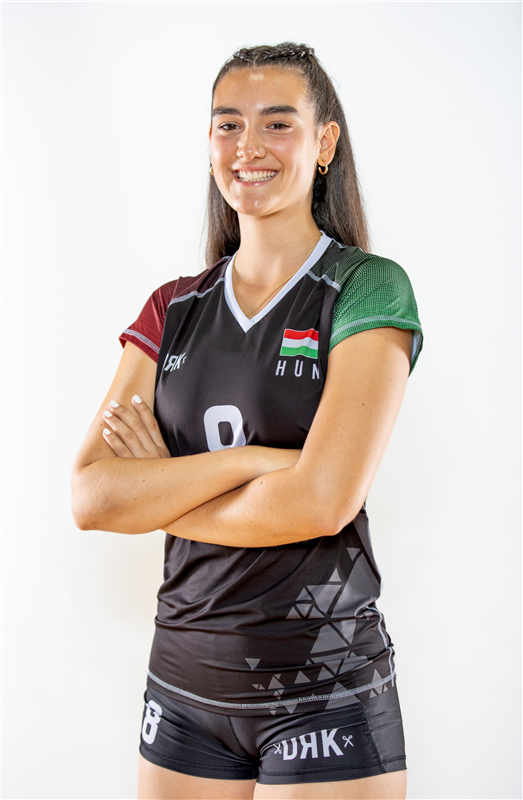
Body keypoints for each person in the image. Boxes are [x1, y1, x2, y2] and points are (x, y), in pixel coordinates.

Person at [72, 42, 423, 800]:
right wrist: (255, 461)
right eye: (228, 124)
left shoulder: (366, 289)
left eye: (277, 123)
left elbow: (321, 501)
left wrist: (159, 488)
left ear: (324, 143)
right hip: (181, 686)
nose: (248, 146)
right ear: (208, 144)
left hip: (325, 687)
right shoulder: (173, 306)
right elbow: (92, 497)